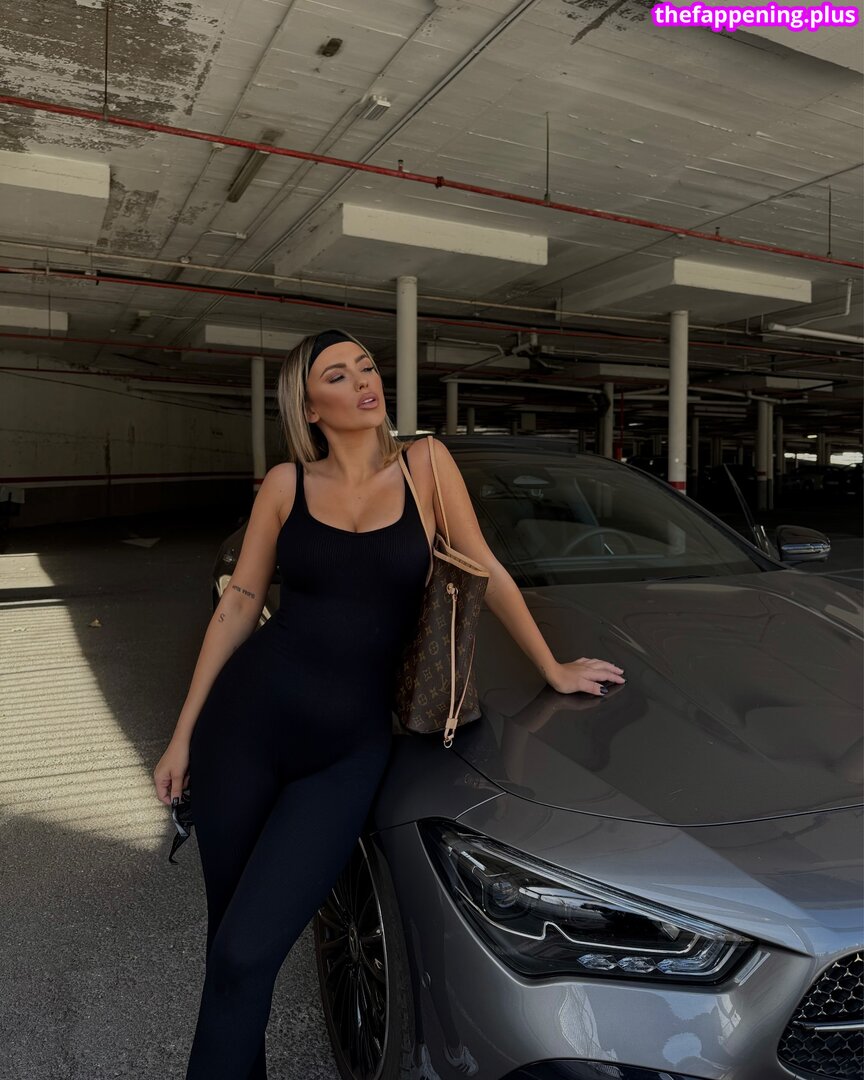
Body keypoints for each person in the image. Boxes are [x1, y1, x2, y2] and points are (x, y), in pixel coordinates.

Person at [152, 328, 625, 1080]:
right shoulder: (285, 485)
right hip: (242, 730)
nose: (364, 382)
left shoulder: (425, 465)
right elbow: (239, 603)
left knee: (246, 950)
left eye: (366, 366)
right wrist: (183, 736)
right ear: (310, 407)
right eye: (338, 375)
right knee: (231, 952)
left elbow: (484, 567)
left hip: (344, 754)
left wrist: (553, 665)